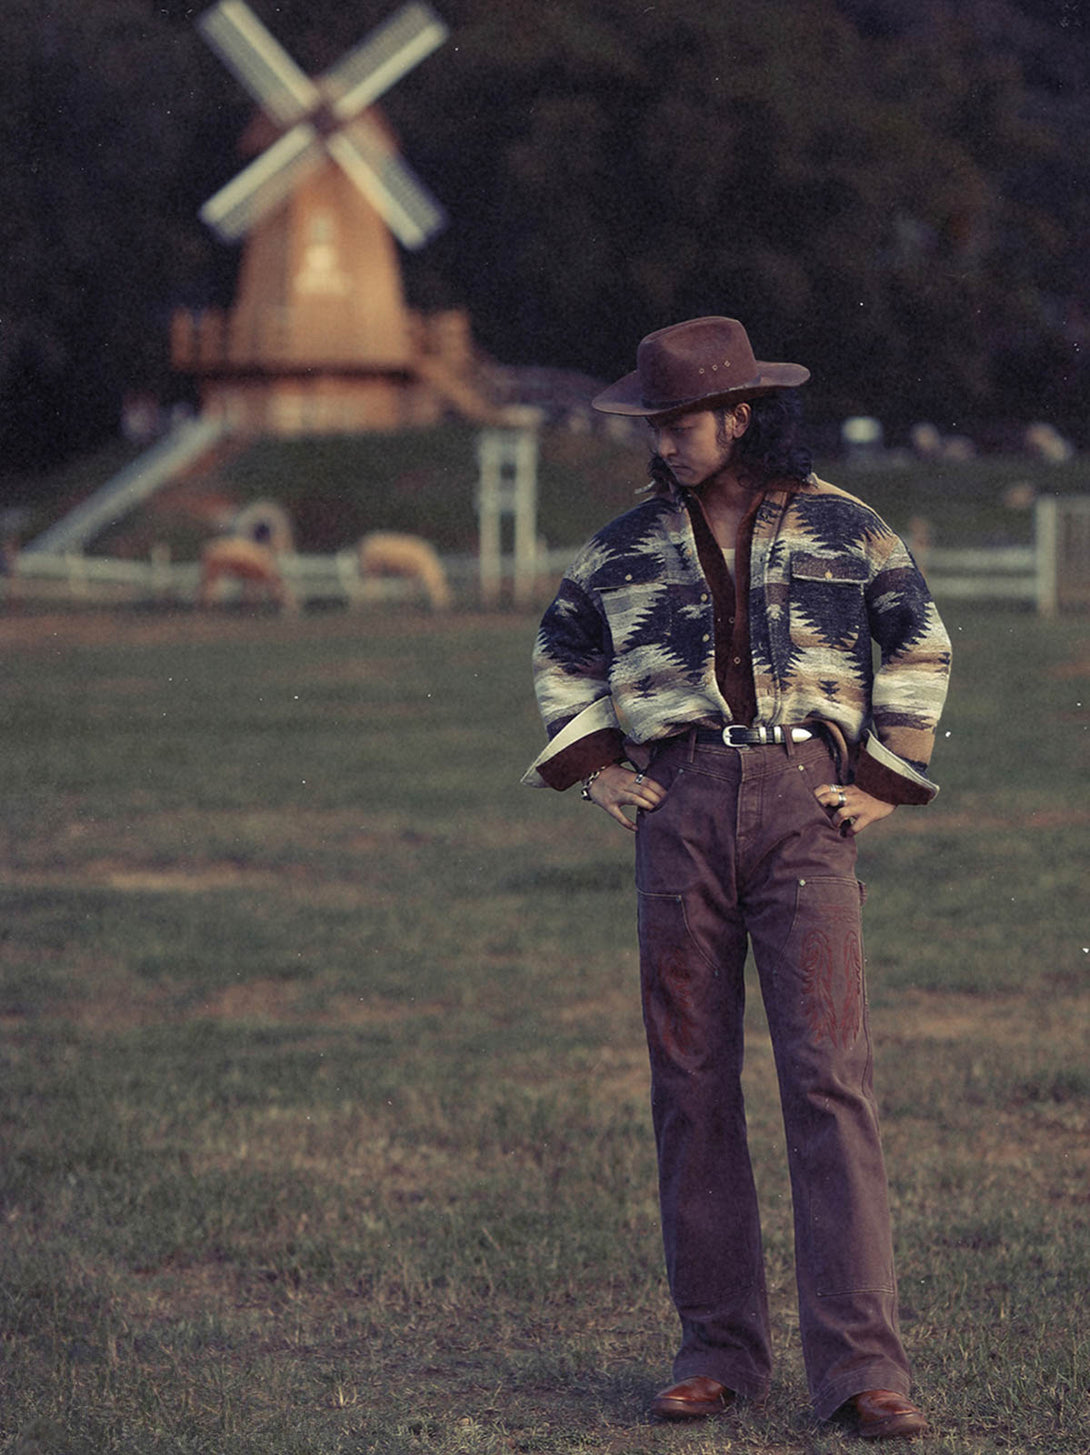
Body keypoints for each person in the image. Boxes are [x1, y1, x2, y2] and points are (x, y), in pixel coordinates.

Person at [523, 317, 951, 1441]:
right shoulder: (620, 548)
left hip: (805, 811)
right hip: (677, 810)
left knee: (828, 1082)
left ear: (740, 415)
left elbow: (918, 641)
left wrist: (885, 777)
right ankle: (715, 1350)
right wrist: (598, 767)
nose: (667, 442)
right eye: (655, 424)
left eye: (683, 422)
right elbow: (564, 646)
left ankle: (860, 1369)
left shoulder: (845, 530)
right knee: (691, 1083)